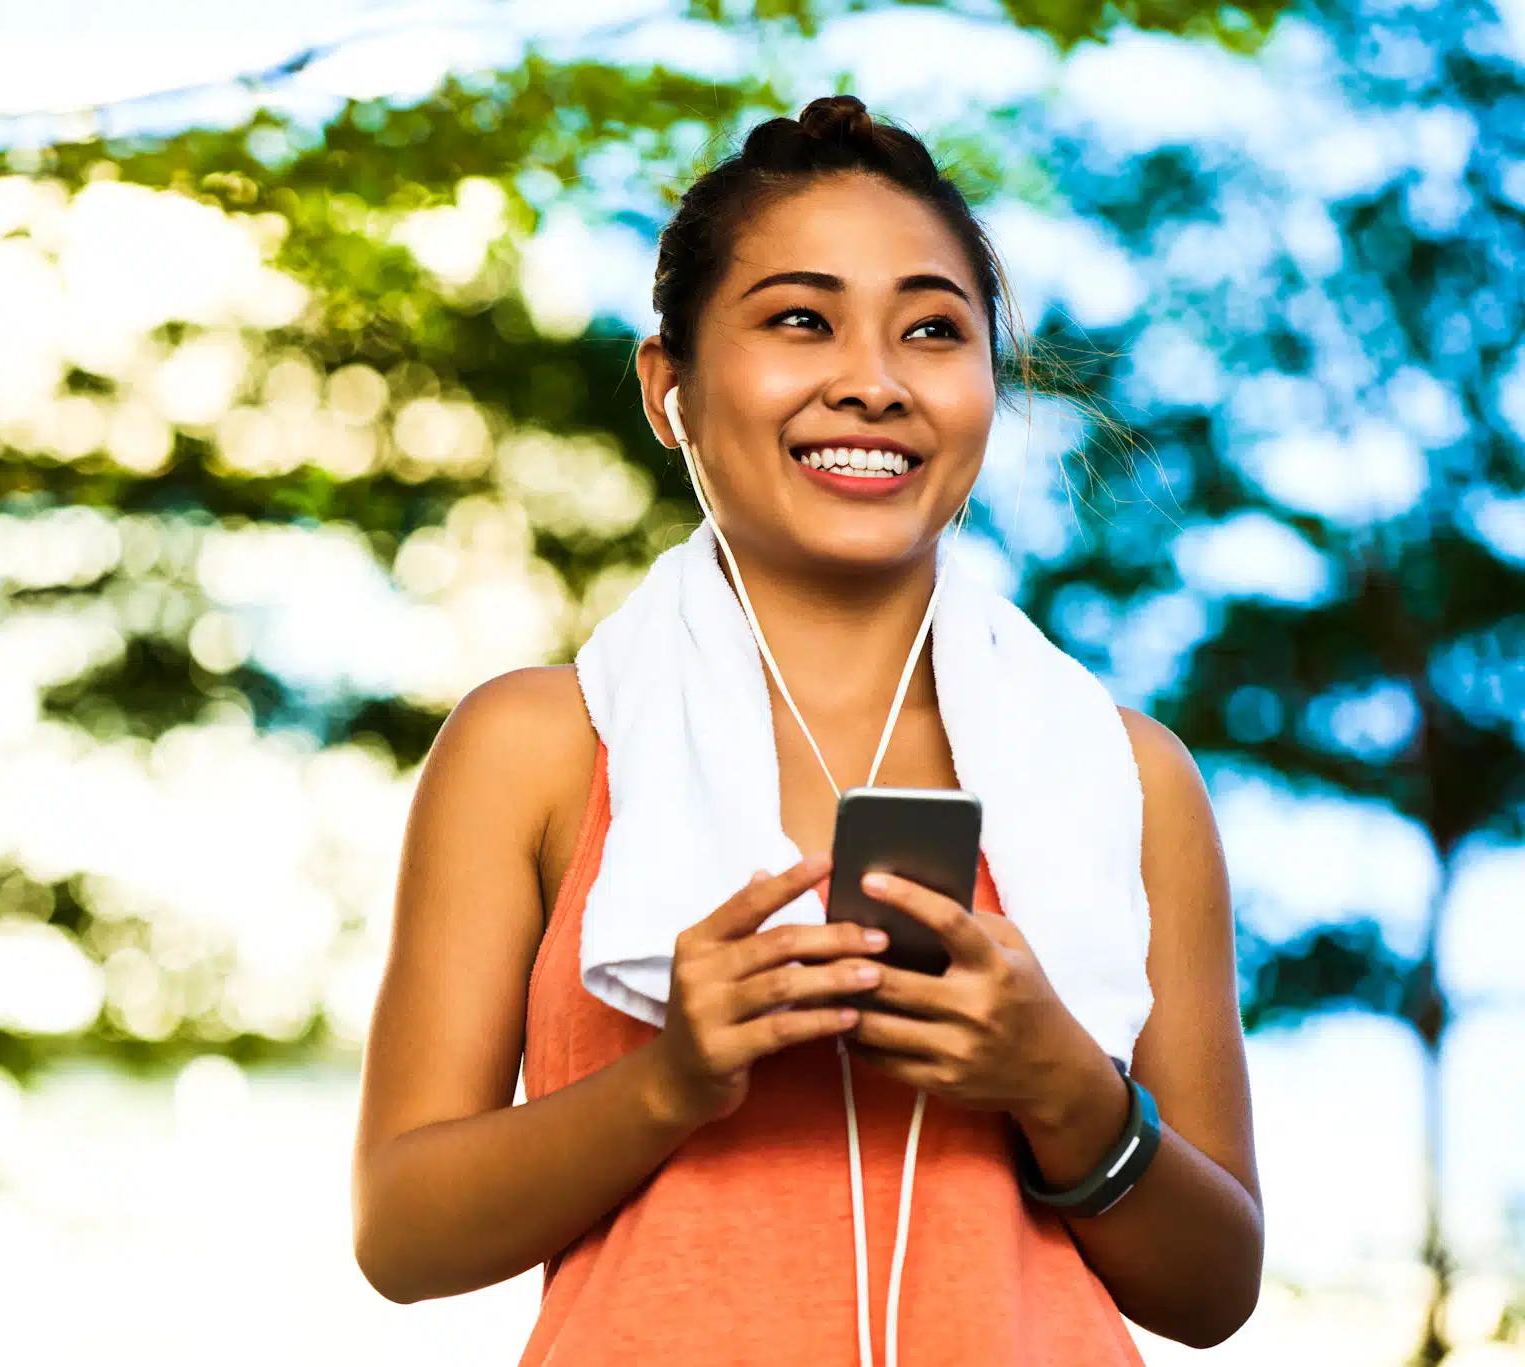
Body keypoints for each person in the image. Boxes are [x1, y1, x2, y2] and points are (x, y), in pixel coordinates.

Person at [350, 93, 1263, 1364]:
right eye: (798, 318)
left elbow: (1214, 1287)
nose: (873, 381)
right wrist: (662, 1085)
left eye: (932, 330)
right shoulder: (541, 746)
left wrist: (1059, 1082)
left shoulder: (1127, 773)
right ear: (667, 385)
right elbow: (402, 1232)